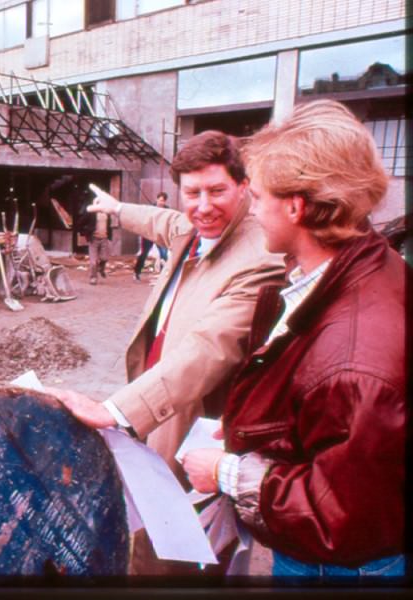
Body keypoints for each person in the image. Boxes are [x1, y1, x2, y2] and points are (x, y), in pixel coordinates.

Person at [181, 100, 406, 579]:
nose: (253, 210)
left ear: (296, 206)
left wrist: (225, 473)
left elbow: (337, 512)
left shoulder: (355, 362)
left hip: (341, 567)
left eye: (257, 197)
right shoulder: (361, 266)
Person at [47, 131, 286, 573]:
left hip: (196, 425)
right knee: (151, 532)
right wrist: (116, 208)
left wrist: (118, 411)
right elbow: (162, 221)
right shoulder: (191, 231)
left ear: (244, 187)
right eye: (192, 193)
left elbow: (209, 348)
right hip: (158, 412)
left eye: (217, 191)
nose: (204, 206)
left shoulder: (259, 256)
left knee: (188, 549)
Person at [77, 192, 113, 285]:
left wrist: (109, 236)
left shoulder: (106, 213)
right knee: (93, 262)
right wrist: (85, 232)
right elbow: (80, 223)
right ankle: (93, 278)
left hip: (104, 238)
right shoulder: (91, 213)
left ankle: (101, 268)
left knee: (104, 258)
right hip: (94, 239)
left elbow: (108, 226)